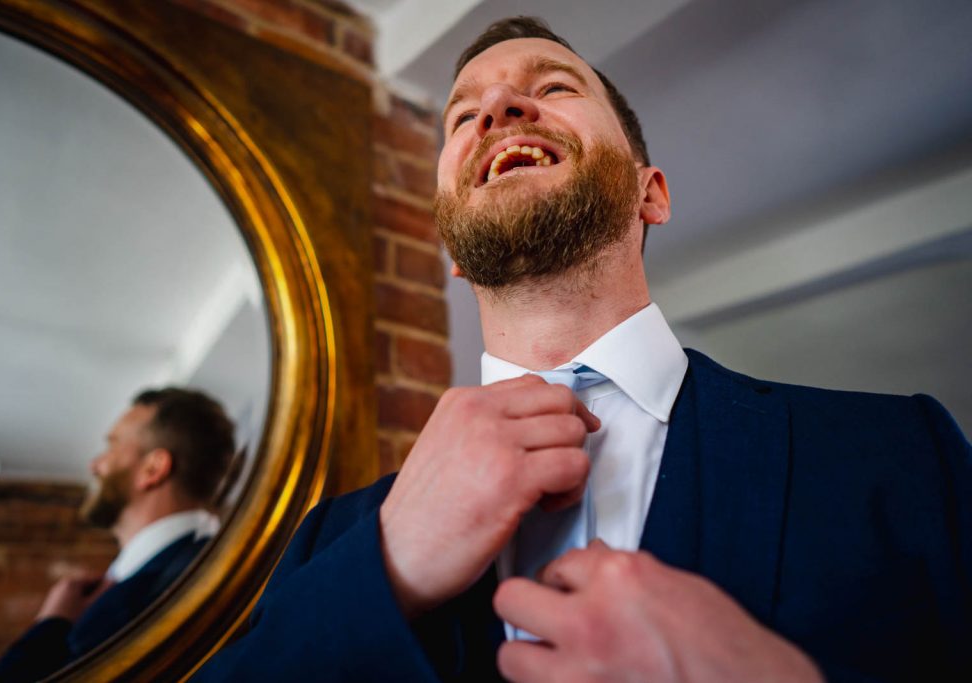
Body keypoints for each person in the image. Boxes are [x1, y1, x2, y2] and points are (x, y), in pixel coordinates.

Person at [192, 17, 971, 683]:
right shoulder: (339, 541)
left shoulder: (902, 452)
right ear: (453, 249)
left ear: (650, 194)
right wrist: (388, 567)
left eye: (556, 86)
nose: (497, 106)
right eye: (462, 115)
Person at [0, 388, 235, 683]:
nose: (95, 465)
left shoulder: (188, 580)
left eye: (112, 446)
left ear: (152, 469)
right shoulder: (188, 565)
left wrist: (52, 626)